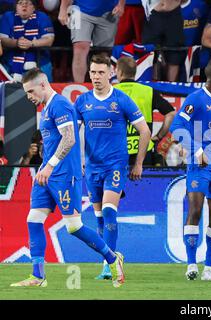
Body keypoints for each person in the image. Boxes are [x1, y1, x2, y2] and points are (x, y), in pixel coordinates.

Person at [10, 68, 125, 288]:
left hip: (63, 175)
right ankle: (38, 276)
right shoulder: (46, 109)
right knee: (33, 220)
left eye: (31, 92)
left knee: (73, 226)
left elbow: (70, 138)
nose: (29, 97)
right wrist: (46, 166)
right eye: (26, 94)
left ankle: (112, 258)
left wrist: (50, 166)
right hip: (47, 175)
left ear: (43, 85)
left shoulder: (60, 105)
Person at [74, 54, 151, 279]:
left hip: (115, 166)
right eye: (93, 72)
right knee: (98, 217)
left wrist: (138, 163)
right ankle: (107, 263)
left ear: (111, 73)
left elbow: (144, 131)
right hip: (92, 168)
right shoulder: (82, 101)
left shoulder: (121, 100)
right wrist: (79, 161)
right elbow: (75, 134)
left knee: (109, 211)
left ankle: (111, 264)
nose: (96, 76)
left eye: (100, 72)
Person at [169, 60, 211, 281]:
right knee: (195, 210)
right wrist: (196, 150)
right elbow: (176, 126)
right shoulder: (196, 99)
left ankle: (209, 269)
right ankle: (190, 264)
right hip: (200, 165)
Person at [114, 56, 176, 165]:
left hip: (116, 151)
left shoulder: (110, 92)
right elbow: (171, 113)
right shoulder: (148, 91)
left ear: (119, 71)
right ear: (134, 72)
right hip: (143, 151)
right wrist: (159, 136)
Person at [58, 0, 125, 83]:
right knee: (80, 47)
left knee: (103, 54)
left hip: (110, 11)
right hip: (79, 10)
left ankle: (101, 85)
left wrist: (121, 4)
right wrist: (63, 8)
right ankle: (79, 87)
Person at [0, 0, 55, 81]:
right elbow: (2, 40)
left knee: (43, 91)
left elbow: (49, 40)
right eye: (21, 3)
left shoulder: (42, 17)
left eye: (28, 3)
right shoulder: (8, 16)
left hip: (40, 63)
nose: (24, 6)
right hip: (11, 63)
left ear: (34, 7)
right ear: (16, 6)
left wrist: (31, 43)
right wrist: (16, 43)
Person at [141, 0, 186, 82]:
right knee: (150, 52)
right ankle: (152, 85)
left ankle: (171, 88)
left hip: (174, 14)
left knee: (175, 53)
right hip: (153, 14)